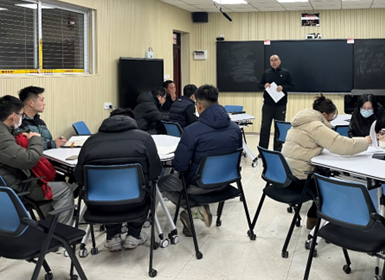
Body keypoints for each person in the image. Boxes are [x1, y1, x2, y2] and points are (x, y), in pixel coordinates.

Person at [158, 85, 242, 236]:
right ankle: (197, 209)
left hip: (200, 184)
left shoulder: (192, 131)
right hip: (227, 181)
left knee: (162, 184)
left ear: (198, 106)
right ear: (218, 103)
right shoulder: (235, 129)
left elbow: (180, 166)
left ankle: (193, 208)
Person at [74, 108, 162, 251]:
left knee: (107, 193)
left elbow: (79, 177)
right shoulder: (144, 138)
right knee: (150, 186)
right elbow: (155, 172)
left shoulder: (91, 142)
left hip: (100, 205)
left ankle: (113, 236)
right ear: (133, 121)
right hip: (137, 202)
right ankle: (134, 235)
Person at [282, 94, 371, 228]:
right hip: (301, 178)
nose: (331, 120)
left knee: (324, 173)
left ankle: (313, 218)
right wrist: (365, 141)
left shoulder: (302, 121)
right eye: (331, 116)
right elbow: (341, 145)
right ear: (324, 114)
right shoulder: (316, 126)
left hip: (287, 175)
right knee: (332, 186)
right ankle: (316, 219)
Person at [0, 95, 73, 225]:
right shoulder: (2, 137)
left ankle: (48, 226)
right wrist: (35, 139)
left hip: (9, 182)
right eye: (20, 115)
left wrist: (20, 134)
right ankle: (61, 231)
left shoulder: (5, 130)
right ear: (13, 116)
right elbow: (29, 159)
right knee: (65, 188)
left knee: (47, 181)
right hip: (16, 188)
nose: (21, 118)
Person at [258, 54, 294, 152]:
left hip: (280, 105)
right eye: (271, 60)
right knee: (265, 128)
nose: (274, 62)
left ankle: (277, 151)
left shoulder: (286, 73)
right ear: (270, 62)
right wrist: (264, 86)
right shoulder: (266, 73)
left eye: (275, 60)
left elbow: (292, 86)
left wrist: (283, 87)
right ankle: (262, 150)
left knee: (278, 128)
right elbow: (259, 85)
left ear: (279, 61)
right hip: (268, 105)